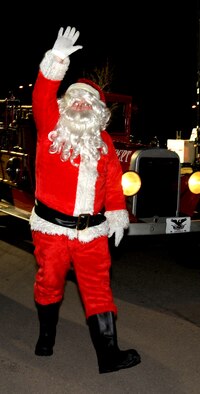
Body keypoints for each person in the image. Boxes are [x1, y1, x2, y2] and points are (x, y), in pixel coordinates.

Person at [30, 26, 141, 374]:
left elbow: (111, 185)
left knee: (98, 289)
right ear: (65, 102)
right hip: (51, 230)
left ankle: (108, 355)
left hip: (92, 233)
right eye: (74, 97)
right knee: (49, 283)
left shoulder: (104, 142)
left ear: (96, 110)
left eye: (87, 100)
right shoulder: (50, 123)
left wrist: (118, 215)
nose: (79, 103)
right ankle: (46, 336)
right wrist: (57, 57)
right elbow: (42, 93)